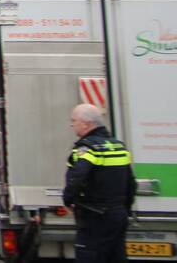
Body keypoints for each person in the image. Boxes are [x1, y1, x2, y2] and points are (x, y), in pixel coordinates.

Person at [63, 103, 136, 263]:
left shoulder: (87, 149)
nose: (72, 125)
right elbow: (131, 183)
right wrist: (125, 208)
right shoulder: (119, 147)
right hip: (118, 215)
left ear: (86, 124)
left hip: (94, 216)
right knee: (116, 256)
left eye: (74, 121)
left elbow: (76, 177)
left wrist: (68, 200)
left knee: (89, 256)